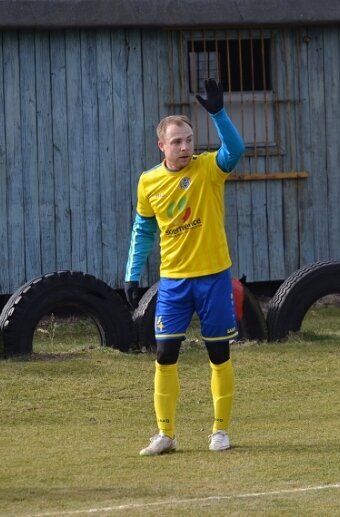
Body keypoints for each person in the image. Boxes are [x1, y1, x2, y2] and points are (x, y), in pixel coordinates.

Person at [124, 78, 245, 456]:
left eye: (189, 139)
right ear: (161, 145)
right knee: (164, 355)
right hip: (173, 283)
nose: (185, 146)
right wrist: (132, 273)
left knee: (218, 354)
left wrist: (218, 114)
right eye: (177, 141)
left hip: (213, 278)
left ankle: (220, 431)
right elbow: (143, 229)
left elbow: (236, 150)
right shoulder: (148, 182)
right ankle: (165, 435)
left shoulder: (209, 168)